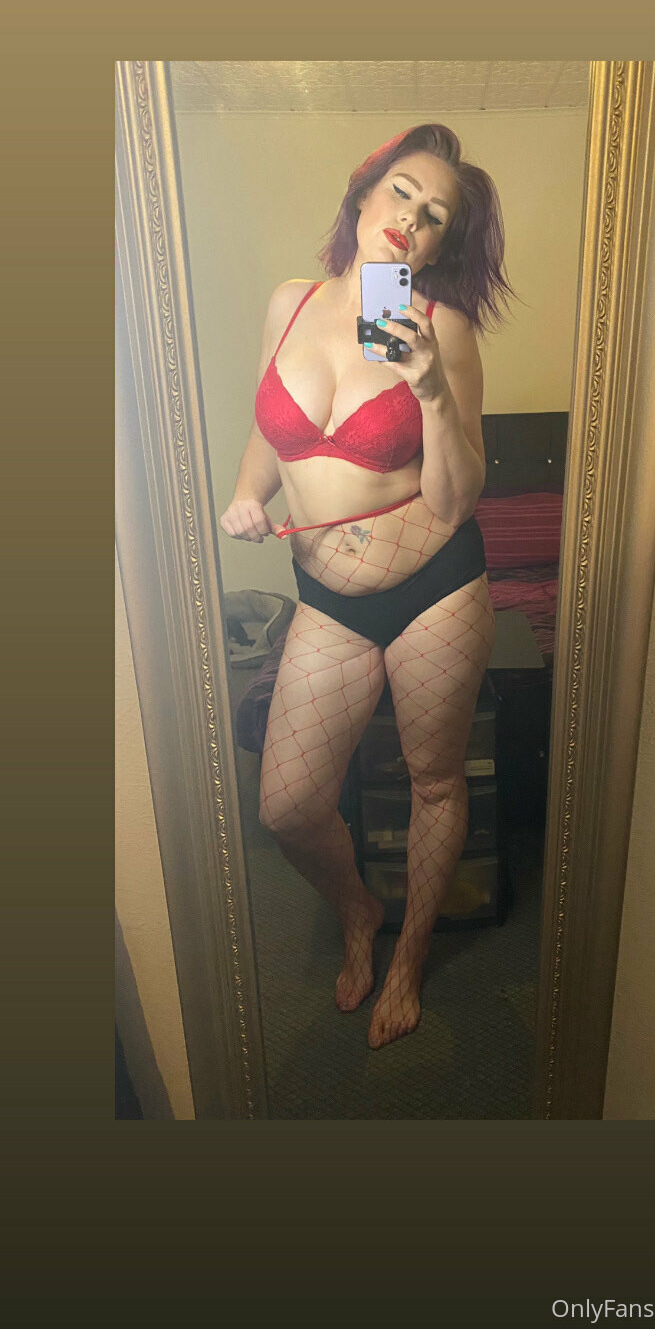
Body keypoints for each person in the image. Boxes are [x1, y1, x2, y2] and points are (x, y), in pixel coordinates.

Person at [220, 123, 515, 1049]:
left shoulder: (443, 329)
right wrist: (246, 493)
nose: (411, 220)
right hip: (328, 601)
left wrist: (431, 391)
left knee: (435, 781)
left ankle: (408, 958)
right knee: (287, 806)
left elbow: (457, 499)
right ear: (361, 196)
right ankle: (358, 908)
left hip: (435, 588)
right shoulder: (290, 303)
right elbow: (269, 427)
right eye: (401, 193)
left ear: (437, 247)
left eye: (435, 216)